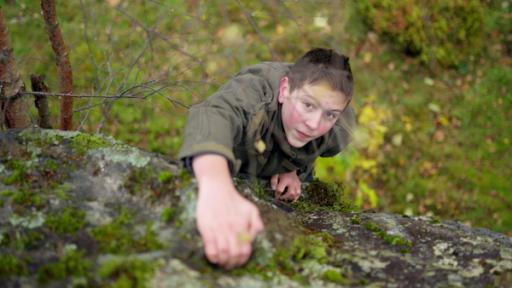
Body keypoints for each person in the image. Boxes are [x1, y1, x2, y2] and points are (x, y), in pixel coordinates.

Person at [178, 48, 355, 268]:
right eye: (307, 105)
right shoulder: (254, 93)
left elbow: (317, 144)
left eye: (329, 115)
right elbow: (214, 115)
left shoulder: (338, 130)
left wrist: (295, 169)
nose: (314, 124)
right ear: (284, 90)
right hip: (233, 161)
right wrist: (216, 187)